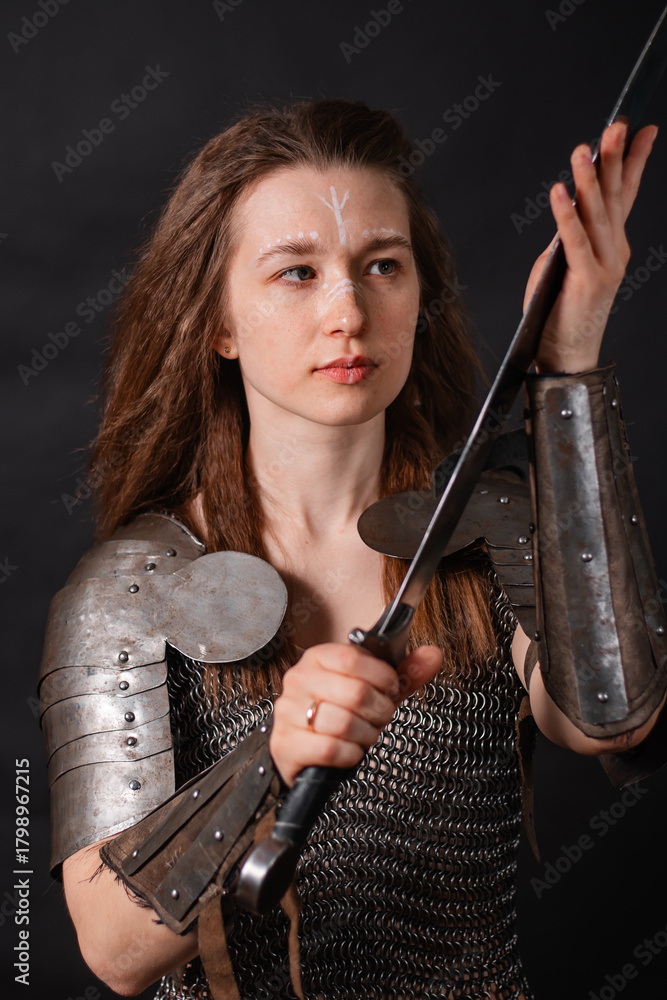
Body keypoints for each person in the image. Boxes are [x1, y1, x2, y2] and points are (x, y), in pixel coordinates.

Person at [38, 99, 665, 1000]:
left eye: (381, 265)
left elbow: (612, 716)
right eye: (296, 272)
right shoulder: (127, 591)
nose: (348, 312)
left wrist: (566, 371)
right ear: (218, 323)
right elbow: (113, 948)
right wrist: (274, 757)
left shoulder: (490, 526)